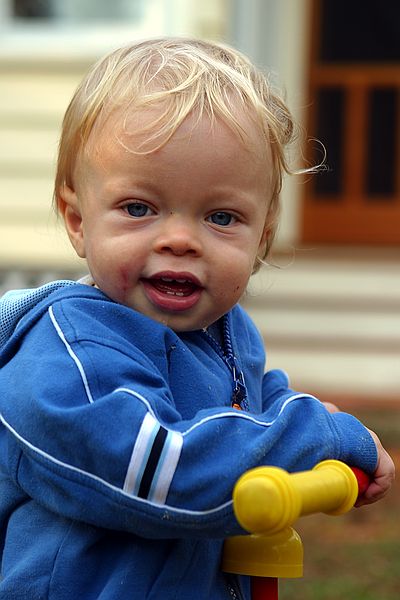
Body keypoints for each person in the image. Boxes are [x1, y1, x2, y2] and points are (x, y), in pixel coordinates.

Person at [0, 38, 394, 600]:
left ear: (262, 236)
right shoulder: (66, 355)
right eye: (139, 208)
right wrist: (321, 435)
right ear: (77, 219)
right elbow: (167, 476)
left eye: (221, 216)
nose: (181, 240)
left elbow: (254, 406)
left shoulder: (226, 333)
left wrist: (305, 416)